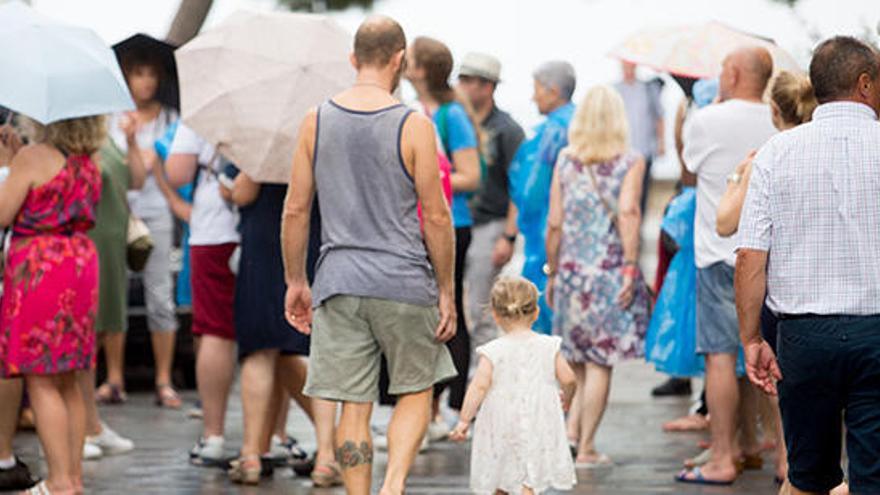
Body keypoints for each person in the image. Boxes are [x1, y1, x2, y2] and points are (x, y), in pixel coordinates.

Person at [282, 16, 458, 495]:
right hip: (404, 280)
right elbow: (437, 217)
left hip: (339, 279)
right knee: (415, 389)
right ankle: (394, 485)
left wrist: (296, 280)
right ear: (400, 59)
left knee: (353, 405)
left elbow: (296, 208)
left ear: (353, 59)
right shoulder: (413, 125)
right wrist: (447, 291)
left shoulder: (315, 120)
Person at [737, 36, 880, 495]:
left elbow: (750, 257)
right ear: (863, 84)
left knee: (807, 478)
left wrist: (752, 338)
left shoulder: (776, 153)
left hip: (803, 336)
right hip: (877, 332)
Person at [674, 46, 776, 486]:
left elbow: (688, 172)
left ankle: (721, 456)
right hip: (769, 252)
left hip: (717, 249)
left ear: (732, 73)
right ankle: (768, 452)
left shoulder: (707, 119)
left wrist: (700, 116)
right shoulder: (778, 118)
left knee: (720, 357)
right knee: (769, 353)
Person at [544, 84, 651, 467]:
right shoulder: (630, 160)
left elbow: (554, 222)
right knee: (599, 362)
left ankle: (569, 434)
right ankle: (586, 447)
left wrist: (552, 272)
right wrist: (629, 265)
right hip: (607, 271)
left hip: (572, 272)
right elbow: (628, 213)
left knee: (573, 359)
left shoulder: (566, 160)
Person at [0, 114, 104, 494]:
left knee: (41, 377)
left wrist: (10, 165)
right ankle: (72, 478)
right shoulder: (90, 162)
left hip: (40, 266)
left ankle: (59, 481)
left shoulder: (32, 156)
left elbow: (3, 214)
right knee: (68, 377)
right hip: (79, 262)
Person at [223, 171, 339, 487]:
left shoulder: (258, 135)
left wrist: (249, 168)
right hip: (313, 239)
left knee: (259, 350)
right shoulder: (322, 127)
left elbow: (241, 194)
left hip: (263, 241)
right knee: (309, 350)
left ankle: (250, 455)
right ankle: (328, 456)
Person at [97, 53, 181, 408]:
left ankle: (164, 379)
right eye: (138, 73)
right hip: (118, 211)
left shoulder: (171, 118)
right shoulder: (109, 118)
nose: (145, 81)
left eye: (151, 74)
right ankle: (114, 378)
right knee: (113, 294)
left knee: (159, 297)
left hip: (157, 212)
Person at [406, 36, 480, 441]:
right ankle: (426, 407)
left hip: (452, 222)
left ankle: (449, 406)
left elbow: (472, 174)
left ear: (422, 69)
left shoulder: (452, 115)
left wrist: (429, 180)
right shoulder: (411, 110)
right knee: (423, 315)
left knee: (451, 313)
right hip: (418, 224)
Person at [449, 277, 576, 495]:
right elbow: (569, 379)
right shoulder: (548, 346)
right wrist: (568, 398)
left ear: (496, 315)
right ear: (536, 312)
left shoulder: (493, 350)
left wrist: (463, 420)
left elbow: (478, 387)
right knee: (529, 475)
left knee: (500, 473)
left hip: (500, 421)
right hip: (538, 418)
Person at [165, 124, 239, 467]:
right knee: (268, 344)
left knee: (215, 331)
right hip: (263, 226)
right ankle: (272, 438)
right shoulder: (274, 102)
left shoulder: (205, 107)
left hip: (213, 227)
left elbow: (177, 171)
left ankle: (214, 436)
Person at [77, 114, 149, 461]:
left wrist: (132, 141)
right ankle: (83, 425)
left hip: (112, 242)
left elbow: (136, 180)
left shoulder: (111, 135)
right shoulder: (76, 141)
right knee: (86, 336)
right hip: (89, 241)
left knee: (103, 330)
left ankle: (91, 423)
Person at [457, 52, 526, 355]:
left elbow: (520, 189)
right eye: (461, 79)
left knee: (481, 308)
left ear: (487, 86)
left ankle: (481, 379)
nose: (463, 86)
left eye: (469, 80)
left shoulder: (507, 130)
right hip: (460, 223)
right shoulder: (458, 121)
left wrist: (508, 236)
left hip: (491, 225)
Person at [509, 61, 576, 334]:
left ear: (553, 91)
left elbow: (532, 187)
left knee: (542, 320)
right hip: (580, 234)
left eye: (537, 89)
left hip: (547, 230)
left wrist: (523, 217)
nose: (533, 96)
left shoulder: (552, 131)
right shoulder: (583, 123)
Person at [614, 61, 665, 212]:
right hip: (620, 151)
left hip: (644, 150)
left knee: (642, 191)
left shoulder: (648, 89)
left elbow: (659, 117)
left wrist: (661, 143)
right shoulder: (614, 90)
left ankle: (638, 226)